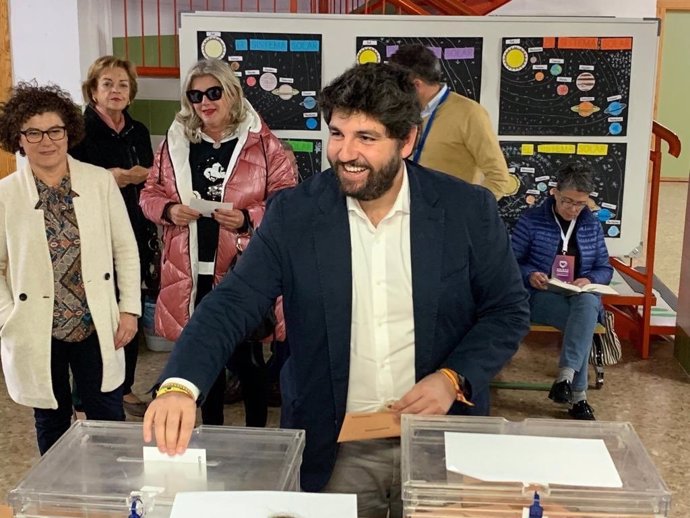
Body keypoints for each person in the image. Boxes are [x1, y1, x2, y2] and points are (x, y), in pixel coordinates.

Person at [143, 62, 529, 517]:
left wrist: (453, 377)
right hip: (337, 443)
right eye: (338, 133)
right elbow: (233, 302)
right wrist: (179, 385)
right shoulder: (295, 214)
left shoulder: (466, 209)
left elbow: (506, 310)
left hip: (439, 442)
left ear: (406, 141)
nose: (346, 153)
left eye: (367, 138)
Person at [139, 59, 295, 427]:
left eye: (213, 92)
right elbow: (149, 192)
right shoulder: (175, 142)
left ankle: (257, 436)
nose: (205, 102)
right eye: (195, 95)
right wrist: (168, 209)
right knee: (200, 358)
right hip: (189, 268)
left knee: (248, 360)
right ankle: (209, 436)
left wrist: (247, 218)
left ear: (232, 93)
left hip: (244, 268)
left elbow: (288, 201)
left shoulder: (264, 144)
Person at [0, 83, 141, 454]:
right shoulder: (6, 195)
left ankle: (113, 495)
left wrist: (128, 309)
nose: (47, 141)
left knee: (107, 413)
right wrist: (7, 315)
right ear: (19, 138)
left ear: (68, 132)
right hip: (37, 324)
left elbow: (125, 248)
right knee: (50, 416)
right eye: (34, 132)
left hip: (95, 321)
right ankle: (57, 502)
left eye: (55, 130)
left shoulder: (98, 182)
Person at [70, 55, 157, 418]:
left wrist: (143, 176)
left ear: (131, 93)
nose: (115, 90)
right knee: (93, 310)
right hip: (92, 231)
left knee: (129, 305)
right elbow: (70, 178)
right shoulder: (78, 129)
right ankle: (86, 391)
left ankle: (123, 387)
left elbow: (154, 173)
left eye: (123, 84)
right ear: (93, 90)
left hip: (134, 229)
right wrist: (111, 177)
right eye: (107, 83)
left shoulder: (137, 130)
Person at [511, 163, 613, 420]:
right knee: (583, 318)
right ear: (554, 193)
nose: (573, 209)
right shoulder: (531, 220)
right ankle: (578, 397)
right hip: (540, 295)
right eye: (567, 201)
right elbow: (511, 260)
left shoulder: (590, 225)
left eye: (580, 204)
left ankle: (565, 380)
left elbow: (604, 268)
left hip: (577, 296)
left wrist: (588, 278)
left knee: (588, 303)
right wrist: (530, 274)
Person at [390, 43, 510, 199]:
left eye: (398, 88)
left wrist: (468, 213)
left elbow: (499, 178)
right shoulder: (403, 112)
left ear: (416, 85)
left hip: (448, 218)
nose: (395, 94)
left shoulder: (470, 113)